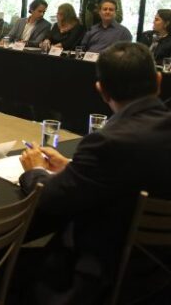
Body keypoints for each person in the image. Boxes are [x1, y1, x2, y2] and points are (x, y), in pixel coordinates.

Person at [16, 42, 171, 304]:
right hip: (158, 272)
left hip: (101, 277)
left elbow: (51, 199)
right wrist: (71, 168)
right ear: (158, 80)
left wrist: (36, 171)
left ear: (101, 90)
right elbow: (130, 174)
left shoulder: (107, 143)